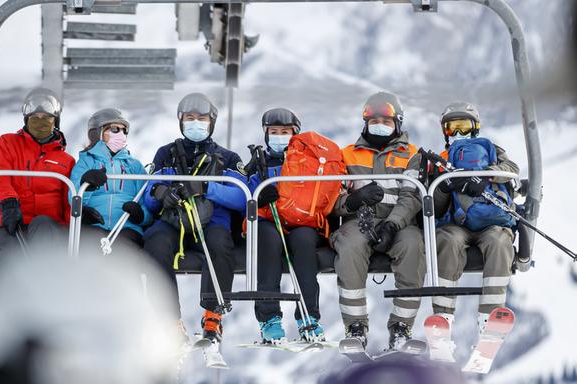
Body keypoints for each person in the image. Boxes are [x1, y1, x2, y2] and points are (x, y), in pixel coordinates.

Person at [0, 88, 106, 349]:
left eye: (47, 118)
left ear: (56, 121)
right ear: (26, 120)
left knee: (42, 232)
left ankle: (46, 310)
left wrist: (78, 218)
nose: (41, 122)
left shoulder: (65, 161)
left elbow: (67, 198)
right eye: (35, 117)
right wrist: (8, 204)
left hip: (47, 226)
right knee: (6, 255)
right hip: (11, 220)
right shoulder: (9, 144)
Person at [141, 93, 245, 346]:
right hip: (173, 221)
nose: (195, 123)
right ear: (181, 121)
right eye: (190, 118)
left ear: (211, 122)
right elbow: (147, 195)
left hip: (212, 222)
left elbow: (242, 198)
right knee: (155, 242)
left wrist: (207, 188)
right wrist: (159, 194)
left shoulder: (227, 158)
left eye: (201, 118)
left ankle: (213, 315)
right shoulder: (166, 154)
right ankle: (169, 320)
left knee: (220, 243)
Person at [331, 91, 426, 351]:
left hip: (399, 222)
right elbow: (332, 199)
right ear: (365, 123)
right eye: (374, 122)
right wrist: (353, 201)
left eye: (386, 121)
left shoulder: (412, 155)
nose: (379, 126)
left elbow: (411, 196)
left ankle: (401, 328)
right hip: (359, 221)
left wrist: (393, 223)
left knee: (413, 246)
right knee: (349, 246)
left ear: (397, 123)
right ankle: (356, 327)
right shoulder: (346, 155)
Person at [429, 101, 520, 336]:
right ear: (445, 132)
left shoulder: (490, 149)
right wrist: (443, 187)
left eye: (464, 127)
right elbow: (434, 209)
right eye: (452, 128)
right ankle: (443, 317)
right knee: (447, 241)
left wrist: (486, 175)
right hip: (455, 224)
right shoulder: (440, 160)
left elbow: (511, 169)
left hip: (490, 220)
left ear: (475, 127)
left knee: (500, 242)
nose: (459, 133)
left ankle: (490, 317)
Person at [238, 108, 327, 343]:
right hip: (269, 219)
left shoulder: (308, 162)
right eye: (274, 132)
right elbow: (243, 195)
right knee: (268, 240)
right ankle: (269, 318)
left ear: (295, 133)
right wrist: (258, 196)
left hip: (300, 220)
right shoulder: (258, 164)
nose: (279, 136)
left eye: (285, 132)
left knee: (304, 241)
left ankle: (308, 316)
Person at [70, 108, 151, 249]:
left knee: (123, 250)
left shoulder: (134, 166)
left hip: (127, 228)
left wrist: (141, 215)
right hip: (95, 225)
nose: (121, 134)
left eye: (123, 130)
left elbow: (148, 203)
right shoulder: (86, 162)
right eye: (114, 129)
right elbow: (73, 197)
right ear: (97, 133)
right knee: (91, 249)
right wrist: (86, 184)